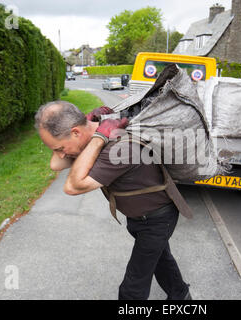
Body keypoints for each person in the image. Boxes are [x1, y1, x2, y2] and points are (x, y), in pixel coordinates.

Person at [34, 100, 193, 300]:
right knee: (161, 260)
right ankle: (181, 295)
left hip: (157, 220)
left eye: (60, 148)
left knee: (132, 288)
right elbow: (55, 165)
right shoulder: (89, 138)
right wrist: (94, 131)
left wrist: (98, 138)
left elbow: (72, 186)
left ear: (75, 132)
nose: (60, 154)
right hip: (139, 219)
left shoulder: (119, 148)